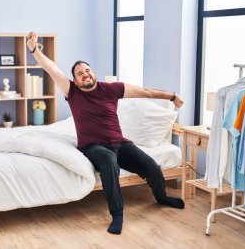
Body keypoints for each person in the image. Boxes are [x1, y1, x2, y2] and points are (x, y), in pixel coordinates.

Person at [27, 31, 185, 235]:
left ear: (93, 73)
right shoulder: (72, 92)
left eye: (87, 71)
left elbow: (144, 92)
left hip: (121, 143)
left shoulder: (110, 89)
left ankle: (162, 197)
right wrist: (34, 49)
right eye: (80, 74)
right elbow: (52, 69)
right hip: (93, 147)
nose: (85, 75)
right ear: (75, 80)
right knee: (109, 159)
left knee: (152, 166)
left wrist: (172, 96)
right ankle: (117, 214)